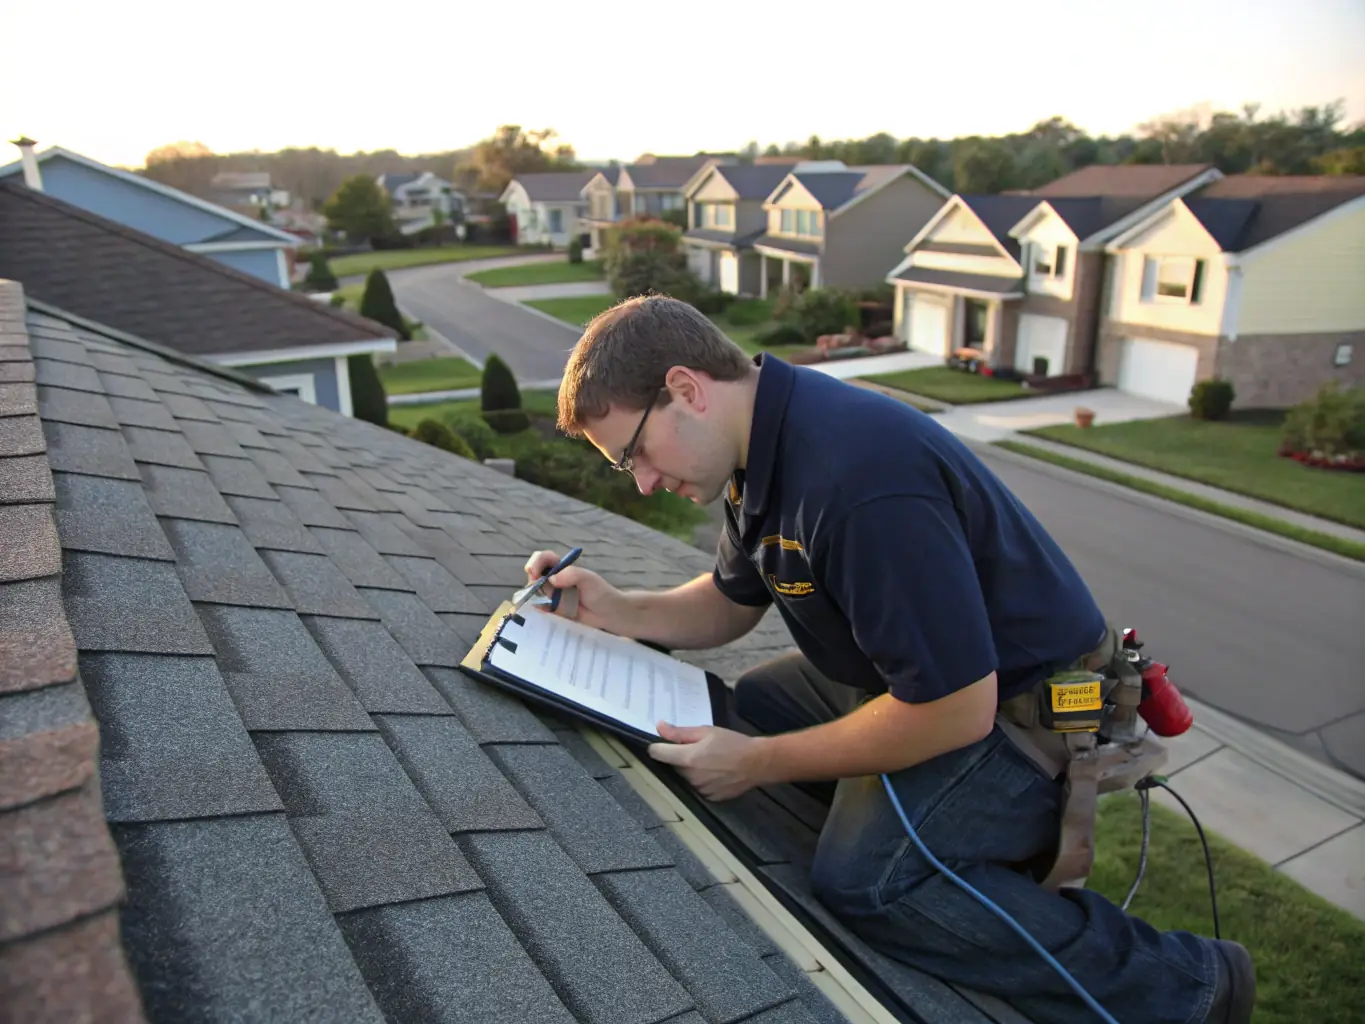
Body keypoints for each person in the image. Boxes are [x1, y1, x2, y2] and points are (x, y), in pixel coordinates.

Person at [522, 294, 1253, 1024]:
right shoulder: (755, 449)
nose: (643, 481)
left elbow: (955, 708)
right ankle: (921, 822)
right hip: (915, 683)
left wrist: (758, 763)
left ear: (686, 390)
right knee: (756, 704)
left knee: (867, 884)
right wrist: (613, 607)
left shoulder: (857, 479)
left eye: (634, 454)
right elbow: (726, 601)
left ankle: (1187, 985)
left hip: (1015, 721)